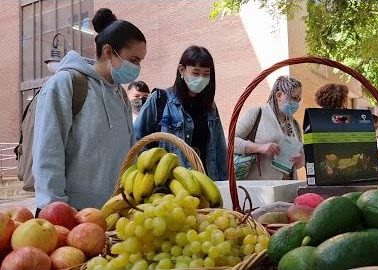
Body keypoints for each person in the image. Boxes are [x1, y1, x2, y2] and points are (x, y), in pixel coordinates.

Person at [33, 8, 146, 212]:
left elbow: (129, 155)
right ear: (108, 52)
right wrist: (56, 209)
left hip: (113, 215)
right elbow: (48, 152)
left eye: (140, 61)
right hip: (69, 217)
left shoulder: (120, 96)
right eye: (134, 60)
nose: (138, 67)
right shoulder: (66, 84)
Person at [134, 45, 227, 181]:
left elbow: (219, 149)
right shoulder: (160, 99)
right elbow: (137, 140)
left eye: (206, 74)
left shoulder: (210, 107)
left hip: (206, 181)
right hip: (169, 184)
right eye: (195, 73)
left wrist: (224, 182)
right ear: (181, 70)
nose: (201, 78)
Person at [234, 75, 305, 180]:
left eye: (298, 99)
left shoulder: (294, 124)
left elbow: (301, 159)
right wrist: (260, 148)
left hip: (287, 188)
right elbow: (230, 142)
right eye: (294, 98)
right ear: (279, 95)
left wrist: (300, 160)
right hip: (260, 188)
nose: (296, 103)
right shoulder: (257, 112)